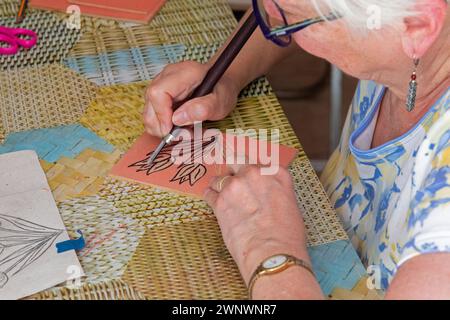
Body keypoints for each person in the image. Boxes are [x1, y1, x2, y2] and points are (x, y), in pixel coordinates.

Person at [143, 0, 450, 299]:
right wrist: (224, 75)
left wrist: (271, 251)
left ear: (419, 27)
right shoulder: (401, 36)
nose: (274, 23)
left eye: (295, 21)